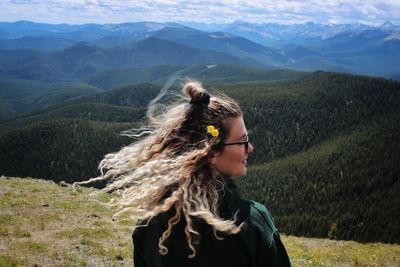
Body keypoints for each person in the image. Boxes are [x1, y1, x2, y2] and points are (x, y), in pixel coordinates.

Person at [77, 80, 291, 266]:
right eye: (243, 141)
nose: (250, 148)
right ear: (211, 152)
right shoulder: (253, 224)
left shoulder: (148, 228)